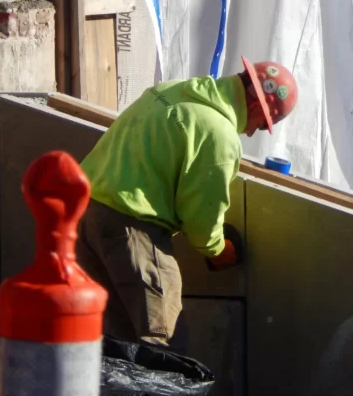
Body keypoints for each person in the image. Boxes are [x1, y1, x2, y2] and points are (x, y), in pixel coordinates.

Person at [76, 56, 298, 349]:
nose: (253, 131)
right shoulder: (219, 135)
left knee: (120, 342)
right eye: (263, 123)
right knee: (164, 346)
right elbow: (201, 216)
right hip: (133, 233)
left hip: (85, 215)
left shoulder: (173, 90)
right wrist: (219, 250)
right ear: (256, 106)